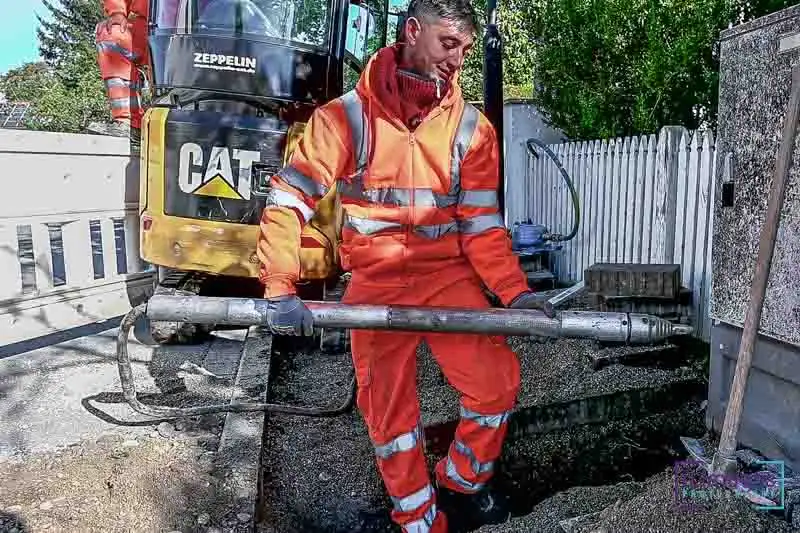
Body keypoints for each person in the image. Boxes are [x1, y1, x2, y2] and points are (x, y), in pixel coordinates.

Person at [255, 0, 544, 530]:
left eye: (465, 49)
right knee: (389, 415)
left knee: (496, 383)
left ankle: (460, 485)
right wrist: (280, 287)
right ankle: (417, 519)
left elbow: (482, 227)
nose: (457, 60)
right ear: (413, 31)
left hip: (447, 277)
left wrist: (515, 294)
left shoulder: (472, 130)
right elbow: (287, 204)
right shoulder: (345, 118)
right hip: (376, 282)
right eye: (447, 44)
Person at [88, 0, 151, 144]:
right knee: (112, 34)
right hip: (153, 26)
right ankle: (129, 123)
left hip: (201, 30)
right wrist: (117, 12)